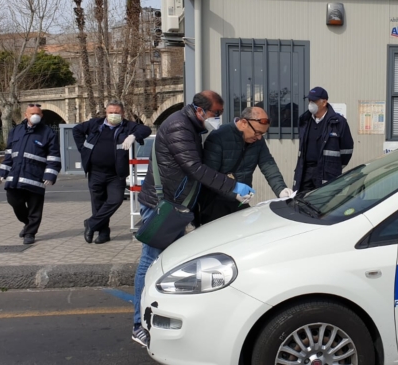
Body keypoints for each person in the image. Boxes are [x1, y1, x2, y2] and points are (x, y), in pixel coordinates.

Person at [131, 90, 255, 348]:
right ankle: (138, 324)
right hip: (160, 207)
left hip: (175, 207)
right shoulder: (179, 126)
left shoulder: (190, 126)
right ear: (200, 111)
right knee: (150, 261)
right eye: (215, 114)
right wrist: (232, 187)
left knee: (167, 264)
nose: (218, 119)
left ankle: (158, 316)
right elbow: (194, 168)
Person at [72, 100, 152, 244]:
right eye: (111, 112)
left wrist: (133, 136)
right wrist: (83, 150)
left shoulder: (128, 126)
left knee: (115, 200)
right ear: (106, 113)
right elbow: (76, 130)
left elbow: (146, 130)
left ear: (122, 113)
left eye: (117, 112)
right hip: (95, 172)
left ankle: (91, 224)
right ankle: (103, 234)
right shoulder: (95, 124)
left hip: (116, 173)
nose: (113, 115)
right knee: (98, 204)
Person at [197, 107, 292, 226]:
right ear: (243, 123)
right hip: (215, 203)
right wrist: (233, 191)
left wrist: (281, 189)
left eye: (262, 134)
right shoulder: (218, 137)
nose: (259, 137)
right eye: (257, 133)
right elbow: (210, 176)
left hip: (241, 202)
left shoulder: (258, 141)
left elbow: (268, 165)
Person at [0, 104, 61, 245]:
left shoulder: (48, 133)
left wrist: (50, 175)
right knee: (14, 201)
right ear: (26, 115)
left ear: (42, 116)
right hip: (15, 177)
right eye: (32, 113)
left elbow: (54, 157)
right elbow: (9, 154)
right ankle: (27, 223)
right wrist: (2, 171)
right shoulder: (16, 131)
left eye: (38, 113)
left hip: (36, 177)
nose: (35, 115)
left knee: (35, 208)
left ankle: (30, 233)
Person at [293, 87, 354, 193]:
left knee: (324, 203)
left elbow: (347, 150)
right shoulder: (304, 120)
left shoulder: (338, 122)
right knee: (301, 203)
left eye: (314, 101)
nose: (311, 103)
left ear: (324, 102)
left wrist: (334, 166)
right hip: (306, 171)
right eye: (310, 100)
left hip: (327, 172)